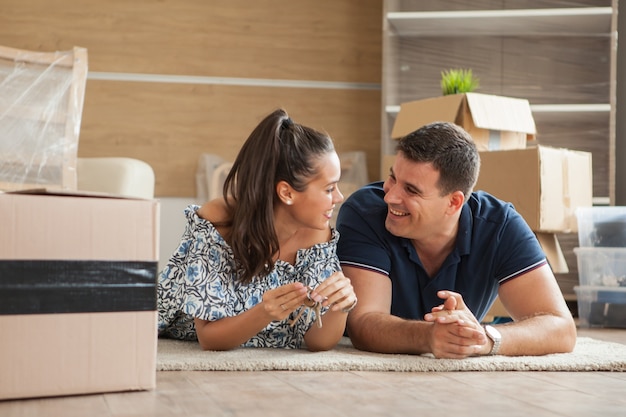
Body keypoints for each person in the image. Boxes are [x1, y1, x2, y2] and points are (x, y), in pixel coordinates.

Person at [336, 121, 577, 359]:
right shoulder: (365, 213)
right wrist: (428, 336)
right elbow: (363, 323)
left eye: (411, 190)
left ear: (454, 202)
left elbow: (561, 328)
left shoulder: (499, 225)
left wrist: (483, 339)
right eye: (393, 178)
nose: (391, 196)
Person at [158, 108, 357, 351]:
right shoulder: (220, 222)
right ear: (287, 192)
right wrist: (265, 312)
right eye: (329, 189)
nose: (339, 197)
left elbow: (318, 342)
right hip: (172, 330)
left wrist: (341, 306)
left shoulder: (318, 233)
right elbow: (210, 339)